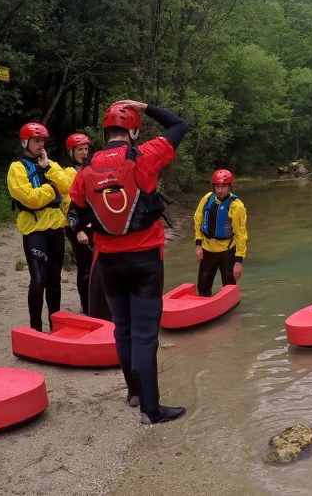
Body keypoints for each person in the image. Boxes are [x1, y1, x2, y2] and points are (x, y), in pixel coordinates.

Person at [68, 100, 189, 425]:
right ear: (133, 131)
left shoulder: (86, 169)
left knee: (122, 328)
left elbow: (74, 211)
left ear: (105, 133)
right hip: (145, 261)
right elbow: (179, 125)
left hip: (108, 262)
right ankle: (151, 410)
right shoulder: (146, 154)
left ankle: (134, 394)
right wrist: (144, 106)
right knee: (145, 335)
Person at [7, 122, 72, 332]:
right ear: (25, 142)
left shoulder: (50, 164)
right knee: (38, 280)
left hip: (56, 227)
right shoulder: (17, 168)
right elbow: (30, 199)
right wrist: (52, 188)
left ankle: (56, 326)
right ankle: (36, 329)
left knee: (54, 280)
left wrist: (48, 169)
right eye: (36, 141)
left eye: (43, 140)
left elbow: (68, 186)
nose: (41, 144)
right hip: (34, 229)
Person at [61, 132, 100, 318]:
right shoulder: (69, 172)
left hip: (92, 225)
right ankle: (86, 307)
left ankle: (96, 304)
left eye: (86, 149)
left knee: (95, 266)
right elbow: (69, 203)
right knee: (84, 267)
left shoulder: (90, 169)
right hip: (76, 226)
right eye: (80, 150)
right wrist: (78, 229)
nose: (84, 152)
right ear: (71, 152)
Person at [193, 169, 248, 296]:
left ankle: (231, 307)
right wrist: (198, 245)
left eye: (223, 186)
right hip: (207, 250)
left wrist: (238, 262)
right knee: (202, 287)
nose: (220, 190)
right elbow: (198, 219)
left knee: (229, 289)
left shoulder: (236, 206)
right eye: (217, 186)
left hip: (227, 252)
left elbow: (241, 235)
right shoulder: (207, 198)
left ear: (230, 186)